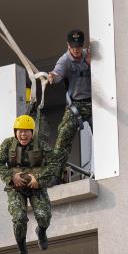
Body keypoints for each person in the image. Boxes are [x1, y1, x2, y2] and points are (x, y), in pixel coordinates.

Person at [0, 115, 54, 254]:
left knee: (44, 216)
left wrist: (38, 178)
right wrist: (11, 177)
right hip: (16, 188)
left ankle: (41, 231)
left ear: (32, 132)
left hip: (36, 187)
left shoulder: (40, 145)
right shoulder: (8, 145)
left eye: (27, 131)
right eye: (20, 131)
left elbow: (54, 163)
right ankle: (22, 250)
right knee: (19, 218)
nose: (23, 135)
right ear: (15, 132)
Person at [46, 29, 93, 178]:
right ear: (68, 45)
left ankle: (105, 168)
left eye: (79, 47)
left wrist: (93, 63)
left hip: (94, 104)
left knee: (106, 133)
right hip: (76, 105)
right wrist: (52, 77)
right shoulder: (65, 60)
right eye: (73, 47)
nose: (76, 50)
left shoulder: (90, 55)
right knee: (63, 135)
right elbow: (57, 74)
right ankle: (55, 175)